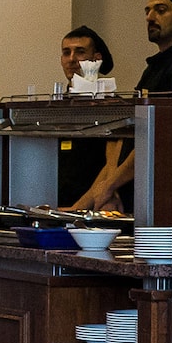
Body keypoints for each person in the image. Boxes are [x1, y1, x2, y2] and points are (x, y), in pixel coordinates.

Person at [67, 0, 172, 210]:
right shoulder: (151, 70)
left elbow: (158, 135)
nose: (150, 17)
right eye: (147, 11)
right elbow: (123, 132)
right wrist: (109, 184)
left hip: (157, 195)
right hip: (124, 195)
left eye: (160, 10)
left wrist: (111, 185)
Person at [55, 26, 122, 208]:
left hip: (96, 206)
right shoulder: (54, 107)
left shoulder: (113, 106)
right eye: (66, 52)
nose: (72, 59)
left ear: (96, 59)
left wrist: (78, 208)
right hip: (57, 206)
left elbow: (112, 166)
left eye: (80, 52)